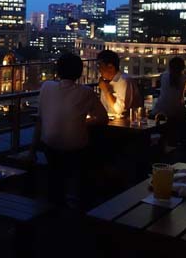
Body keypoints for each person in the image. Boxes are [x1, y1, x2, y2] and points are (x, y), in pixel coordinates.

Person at [29, 53, 108, 207]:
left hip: (49, 147)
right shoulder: (86, 92)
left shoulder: (46, 86)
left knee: (56, 169)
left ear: (58, 70)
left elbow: (40, 119)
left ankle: (55, 199)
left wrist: (31, 151)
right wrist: (82, 123)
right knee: (94, 150)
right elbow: (102, 118)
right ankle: (85, 199)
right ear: (79, 72)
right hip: (75, 150)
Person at [153, 57, 186, 146]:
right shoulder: (184, 78)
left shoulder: (164, 76)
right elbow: (180, 98)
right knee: (184, 117)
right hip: (174, 111)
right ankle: (183, 144)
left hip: (159, 109)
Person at [97, 49, 143, 116]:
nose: (99, 70)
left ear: (110, 67)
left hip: (124, 123)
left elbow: (119, 110)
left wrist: (106, 91)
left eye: (101, 66)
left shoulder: (124, 81)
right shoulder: (106, 82)